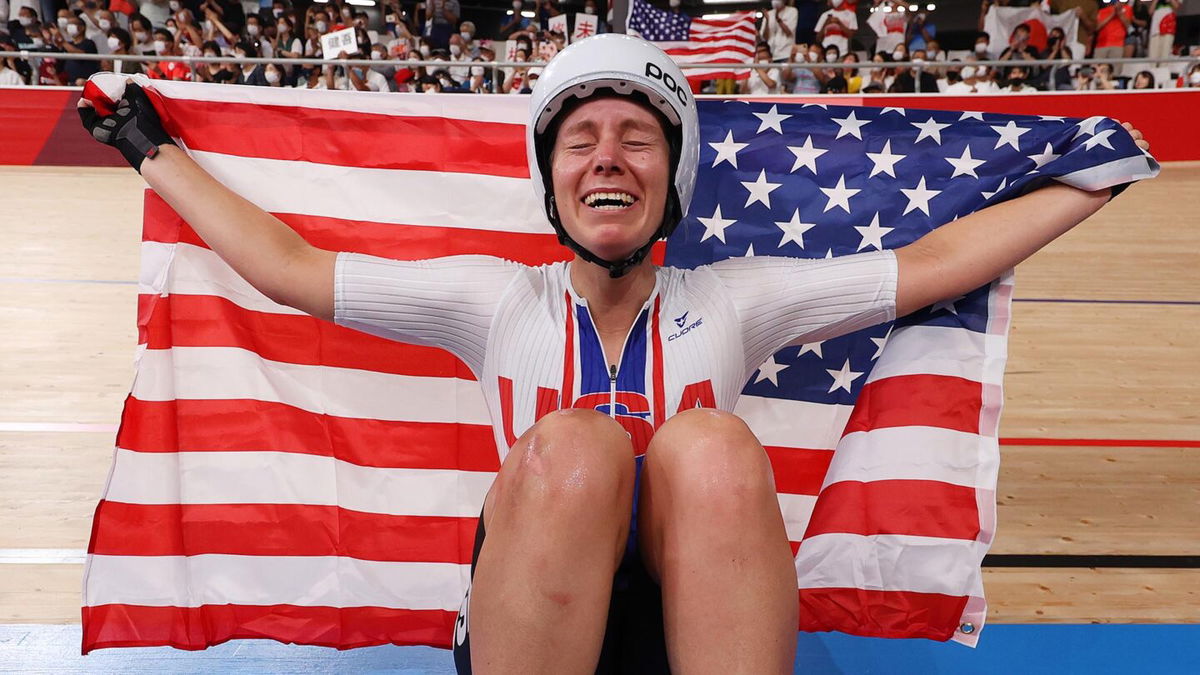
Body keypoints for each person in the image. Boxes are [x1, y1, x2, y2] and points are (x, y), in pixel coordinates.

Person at [78, 32, 1151, 675]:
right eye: (580, 140)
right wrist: (149, 150)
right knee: (575, 450)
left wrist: (1088, 176)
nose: (606, 157)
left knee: (714, 445)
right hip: (531, 609)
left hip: (693, 615)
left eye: (635, 138)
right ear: (551, 182)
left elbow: (932, 264)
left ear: (671, 176)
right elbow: (289, 269)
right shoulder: (491, 301)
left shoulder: (734, 300)